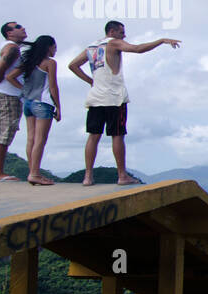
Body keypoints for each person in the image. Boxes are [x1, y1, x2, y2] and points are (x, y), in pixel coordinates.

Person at [67, 20, 180, 186]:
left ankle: (88, 177)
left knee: (93, 136)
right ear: (112, 31)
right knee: (117, 135)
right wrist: (161, 40)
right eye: (122, 32)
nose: (124, 35)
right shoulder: (114, 43)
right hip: (114, 97)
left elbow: (73, 65)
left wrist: (90, 81)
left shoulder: (91, 47)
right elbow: (137, 49)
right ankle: (122, 176)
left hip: (95, 97)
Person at [4, 35, 61, 186]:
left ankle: (32, 172)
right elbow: (53, 86)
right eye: (54, 47)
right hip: (42, 104)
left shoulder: (28, 61)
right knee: (40, 140)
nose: (55, 50)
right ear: (49, 47)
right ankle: (34, 174)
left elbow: (10, 77)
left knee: (31, 139)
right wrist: (58, 107)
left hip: (28, 103)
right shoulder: (50, 63)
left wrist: (23, 89)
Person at [0, 21, 29, 181]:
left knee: (0, 131)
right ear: (9, 33)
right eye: (17, 27)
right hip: (8, 95)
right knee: (5, 132)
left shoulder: (6, 46)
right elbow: (0, 68)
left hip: (0, 94)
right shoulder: (12, 48)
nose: (22, 28)